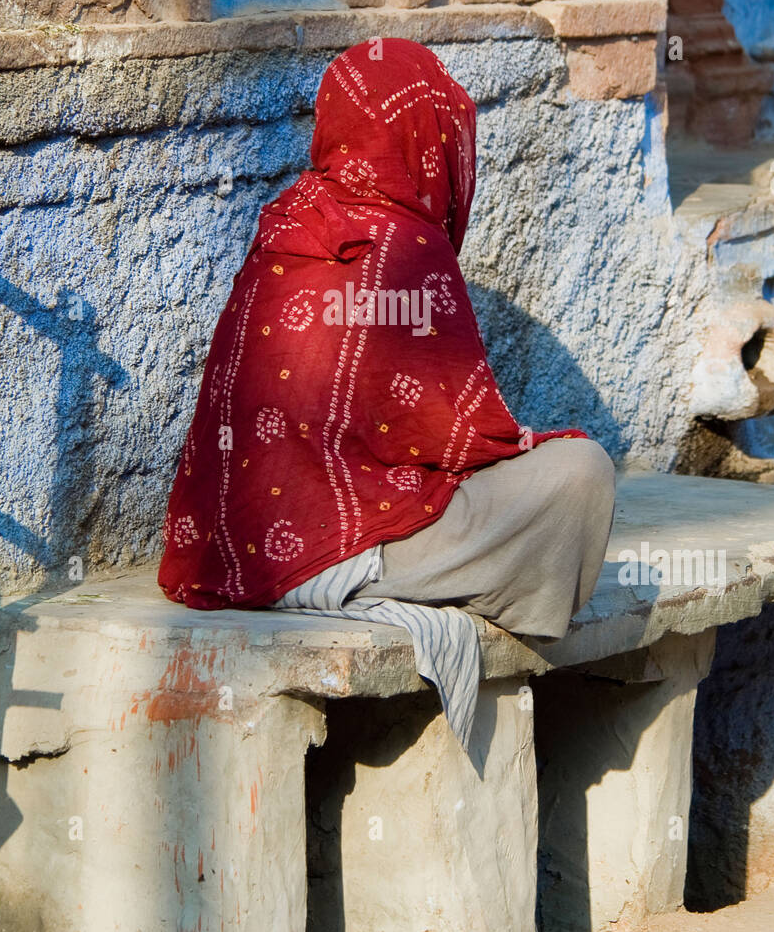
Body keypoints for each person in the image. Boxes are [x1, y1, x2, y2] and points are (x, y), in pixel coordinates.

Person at [158, 39, 615, 747]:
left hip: (231, 551)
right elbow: (456, 442)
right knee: (582, 473)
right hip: (345, 558)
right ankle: (454, 585)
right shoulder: (407, 247)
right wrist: (528, 446)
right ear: (424, 141)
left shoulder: (285, 223)